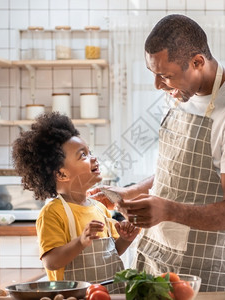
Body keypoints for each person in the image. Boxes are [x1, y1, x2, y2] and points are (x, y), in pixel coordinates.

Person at [90, 14, 225, 292]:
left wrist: (168, 210)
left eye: (166, 76)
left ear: (197, 62)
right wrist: (129, 193)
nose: (159, 85)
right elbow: (177, 169)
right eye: (155, 74)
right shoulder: (180, 94)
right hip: (153, 251)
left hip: (200, 266)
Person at [12, 112, 140, 292]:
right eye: (83, 155)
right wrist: (80, 242)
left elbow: (110, 255)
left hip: (110, 295)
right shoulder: (52, 213)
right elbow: (51, 262)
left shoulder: (99, 207)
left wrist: (125, 240)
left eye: (90, 152)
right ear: (62, 174)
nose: (93, 158)